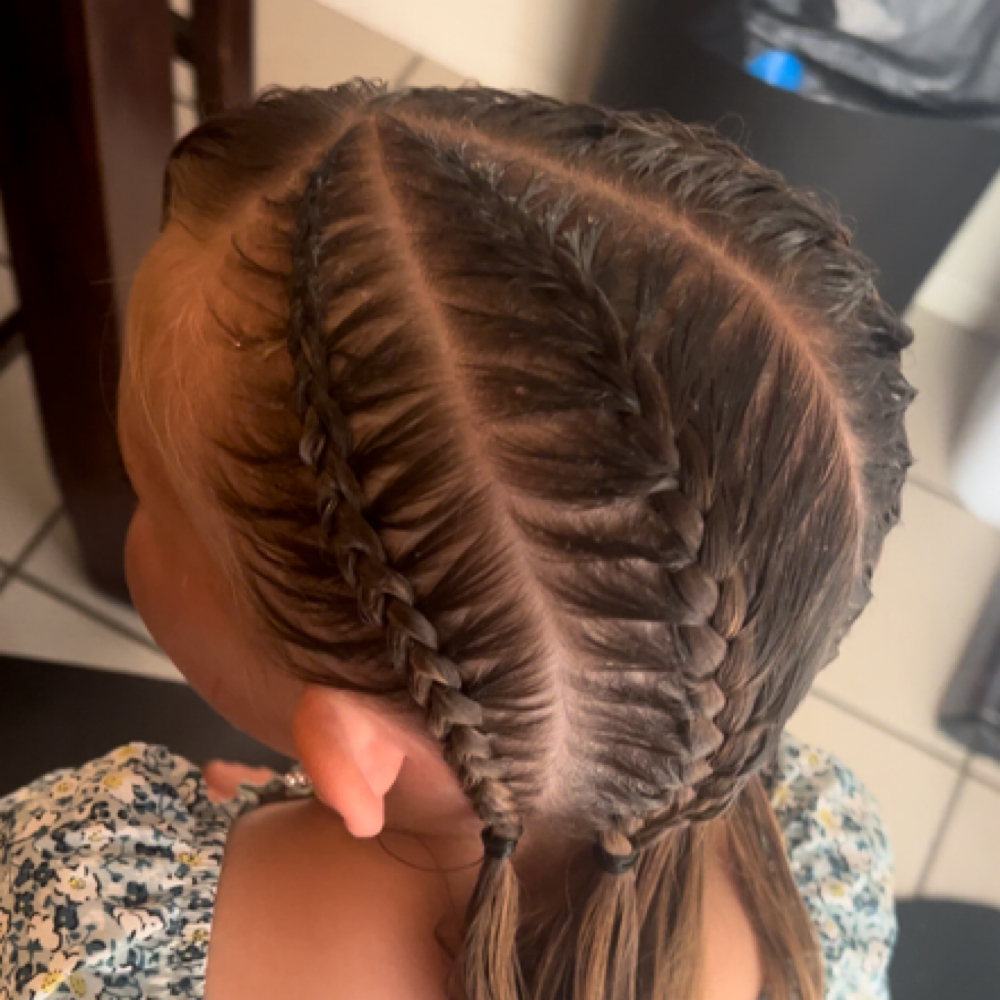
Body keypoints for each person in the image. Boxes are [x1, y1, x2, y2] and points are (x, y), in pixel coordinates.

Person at [0, 82, 913, 1000]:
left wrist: (231, 851)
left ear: (357, 752)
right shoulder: (824, 843)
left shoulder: (84, 915)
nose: (138, 511)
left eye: (149, 494)